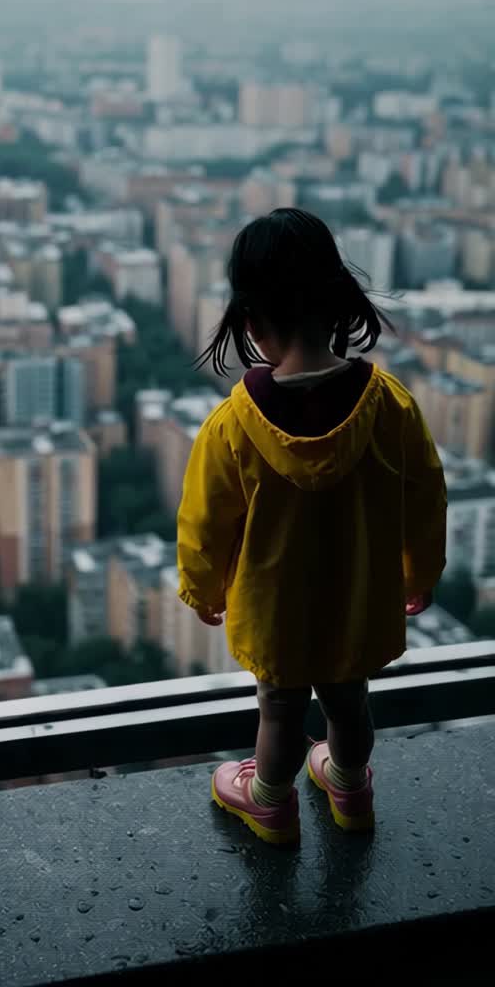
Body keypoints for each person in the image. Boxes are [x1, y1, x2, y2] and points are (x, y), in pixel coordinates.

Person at [177, 208, 447, 846]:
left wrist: (203, 590)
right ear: (337, 302)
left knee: (280, 707)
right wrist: (421, 572)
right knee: (349, 701)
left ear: (250, 321)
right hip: (359, 601)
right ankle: (350, 789)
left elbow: (205, 521)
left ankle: (269, 802)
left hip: (275, 610)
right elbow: (427, 494)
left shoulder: (233, 424)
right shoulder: (390, 405)